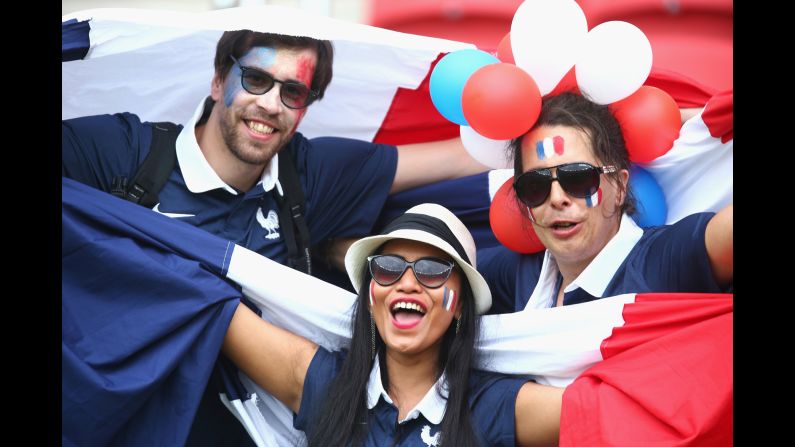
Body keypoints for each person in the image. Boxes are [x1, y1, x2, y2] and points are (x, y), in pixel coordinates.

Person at [61, 30, 487, 444]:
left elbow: (461, 157)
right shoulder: (122, 152)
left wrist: (533, 128)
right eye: (256, 79)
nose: (269, 104)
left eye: (293, 92)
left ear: (305, 107)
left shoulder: (309, 174)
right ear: (217, 79)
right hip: (113, 419)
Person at [222, 203, 563, 446]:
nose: (407, 283)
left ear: (459, 306)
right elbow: (207, 304)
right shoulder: (325, 384)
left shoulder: (494, 406)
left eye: (432, 271)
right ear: (371, 293)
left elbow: (605, 412)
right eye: (387, 267)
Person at [478, 92, 733, 313]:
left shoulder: (665, 260)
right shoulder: (519, 274)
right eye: (535, 185)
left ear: (621, 186)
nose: (557, 198)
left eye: (578, 178)